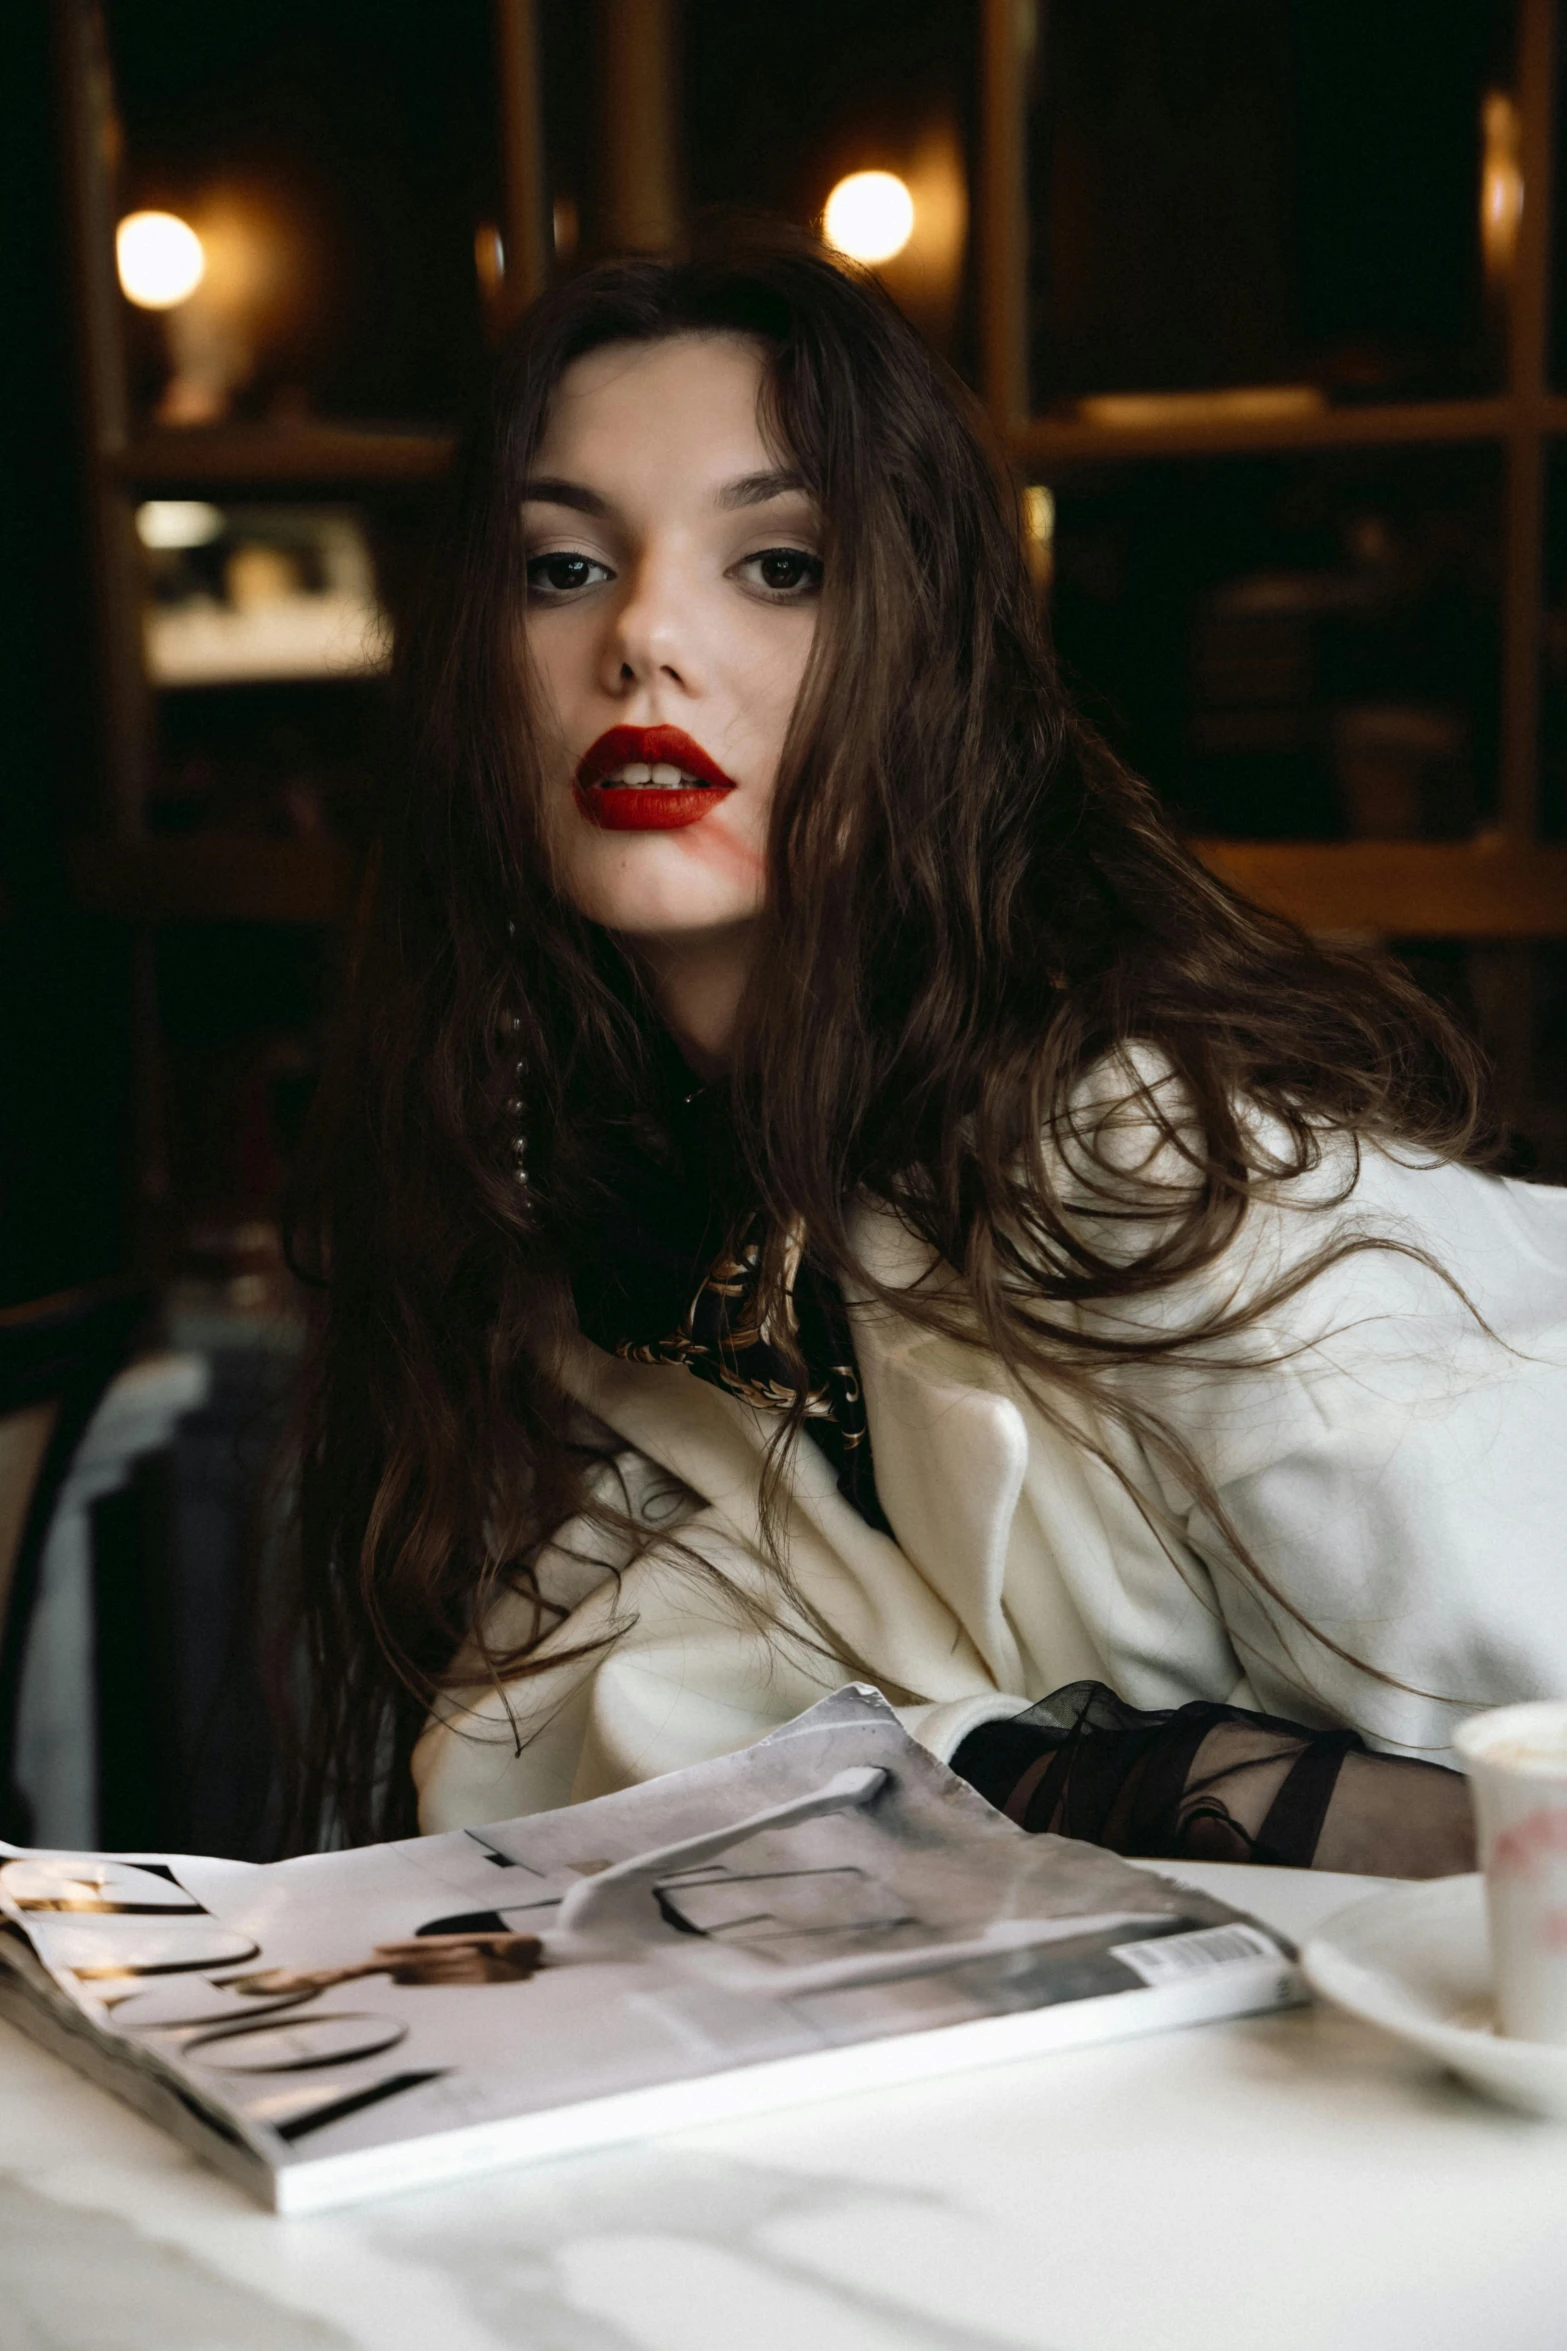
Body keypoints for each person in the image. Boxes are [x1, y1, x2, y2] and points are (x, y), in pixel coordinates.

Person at [286, 231, 1567, 1878]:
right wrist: (1079, 1774)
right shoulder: (618, 1201)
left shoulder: (1145, 1136)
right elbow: (543, 1751)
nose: (643, 642)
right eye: (561, 568)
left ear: (924, 649)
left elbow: (1527, 1694)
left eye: (778, 564)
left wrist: (1015, 1776)